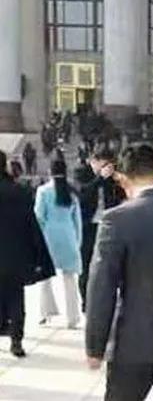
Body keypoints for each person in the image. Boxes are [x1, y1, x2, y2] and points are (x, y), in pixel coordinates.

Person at [84, 143, 153, 401]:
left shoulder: (115, 219)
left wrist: (95, 345)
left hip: (132, 344)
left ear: (122, 178)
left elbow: (101, 286)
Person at [0, 150, 54, 358]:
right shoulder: (20, 191)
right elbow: (31, 224)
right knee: (16, 298)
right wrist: (38, 255)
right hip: (16, 255)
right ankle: (16, 341)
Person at [35, 159, 82, 329]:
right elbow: (77, 220)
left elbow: (39, 216)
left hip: (49, 236)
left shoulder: (43, 191)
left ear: (50, 171)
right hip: (68, 235)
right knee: (70, 279)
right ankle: (73, 317)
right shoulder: (72, 192)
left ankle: (46, 313)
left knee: (45, 277)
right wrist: (77, 241)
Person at [76, 149, 125, 310]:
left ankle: (107, 300)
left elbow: (118, 196)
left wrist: (117, 180)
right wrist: (99, 178)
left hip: (107, 223)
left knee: (108, 263)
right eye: (103, 164)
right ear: (94, 161)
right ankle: (86, 301)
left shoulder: (110, 178)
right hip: (88, 225)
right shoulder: (82, 172)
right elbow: (82, 193)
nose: (106, 168)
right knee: (86, 264)